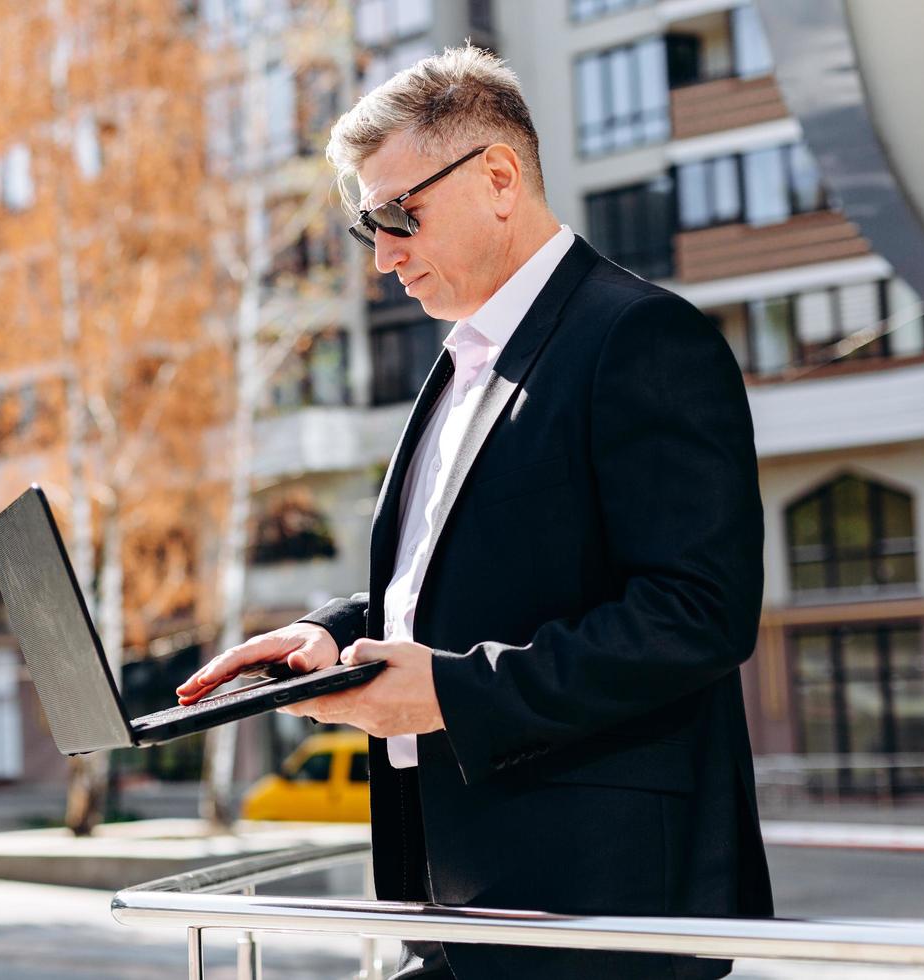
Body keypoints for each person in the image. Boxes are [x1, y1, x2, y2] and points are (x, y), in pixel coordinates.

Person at [177, 45, 772, 980]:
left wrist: (455, 693)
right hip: (447, 897)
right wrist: (329, 634)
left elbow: (699, 613)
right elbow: (458, 581)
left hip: (594, 912)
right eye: (365, 227)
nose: (383, 256)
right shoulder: (463, 364)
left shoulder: (641, 337)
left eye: (398, 214)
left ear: (499, 176)